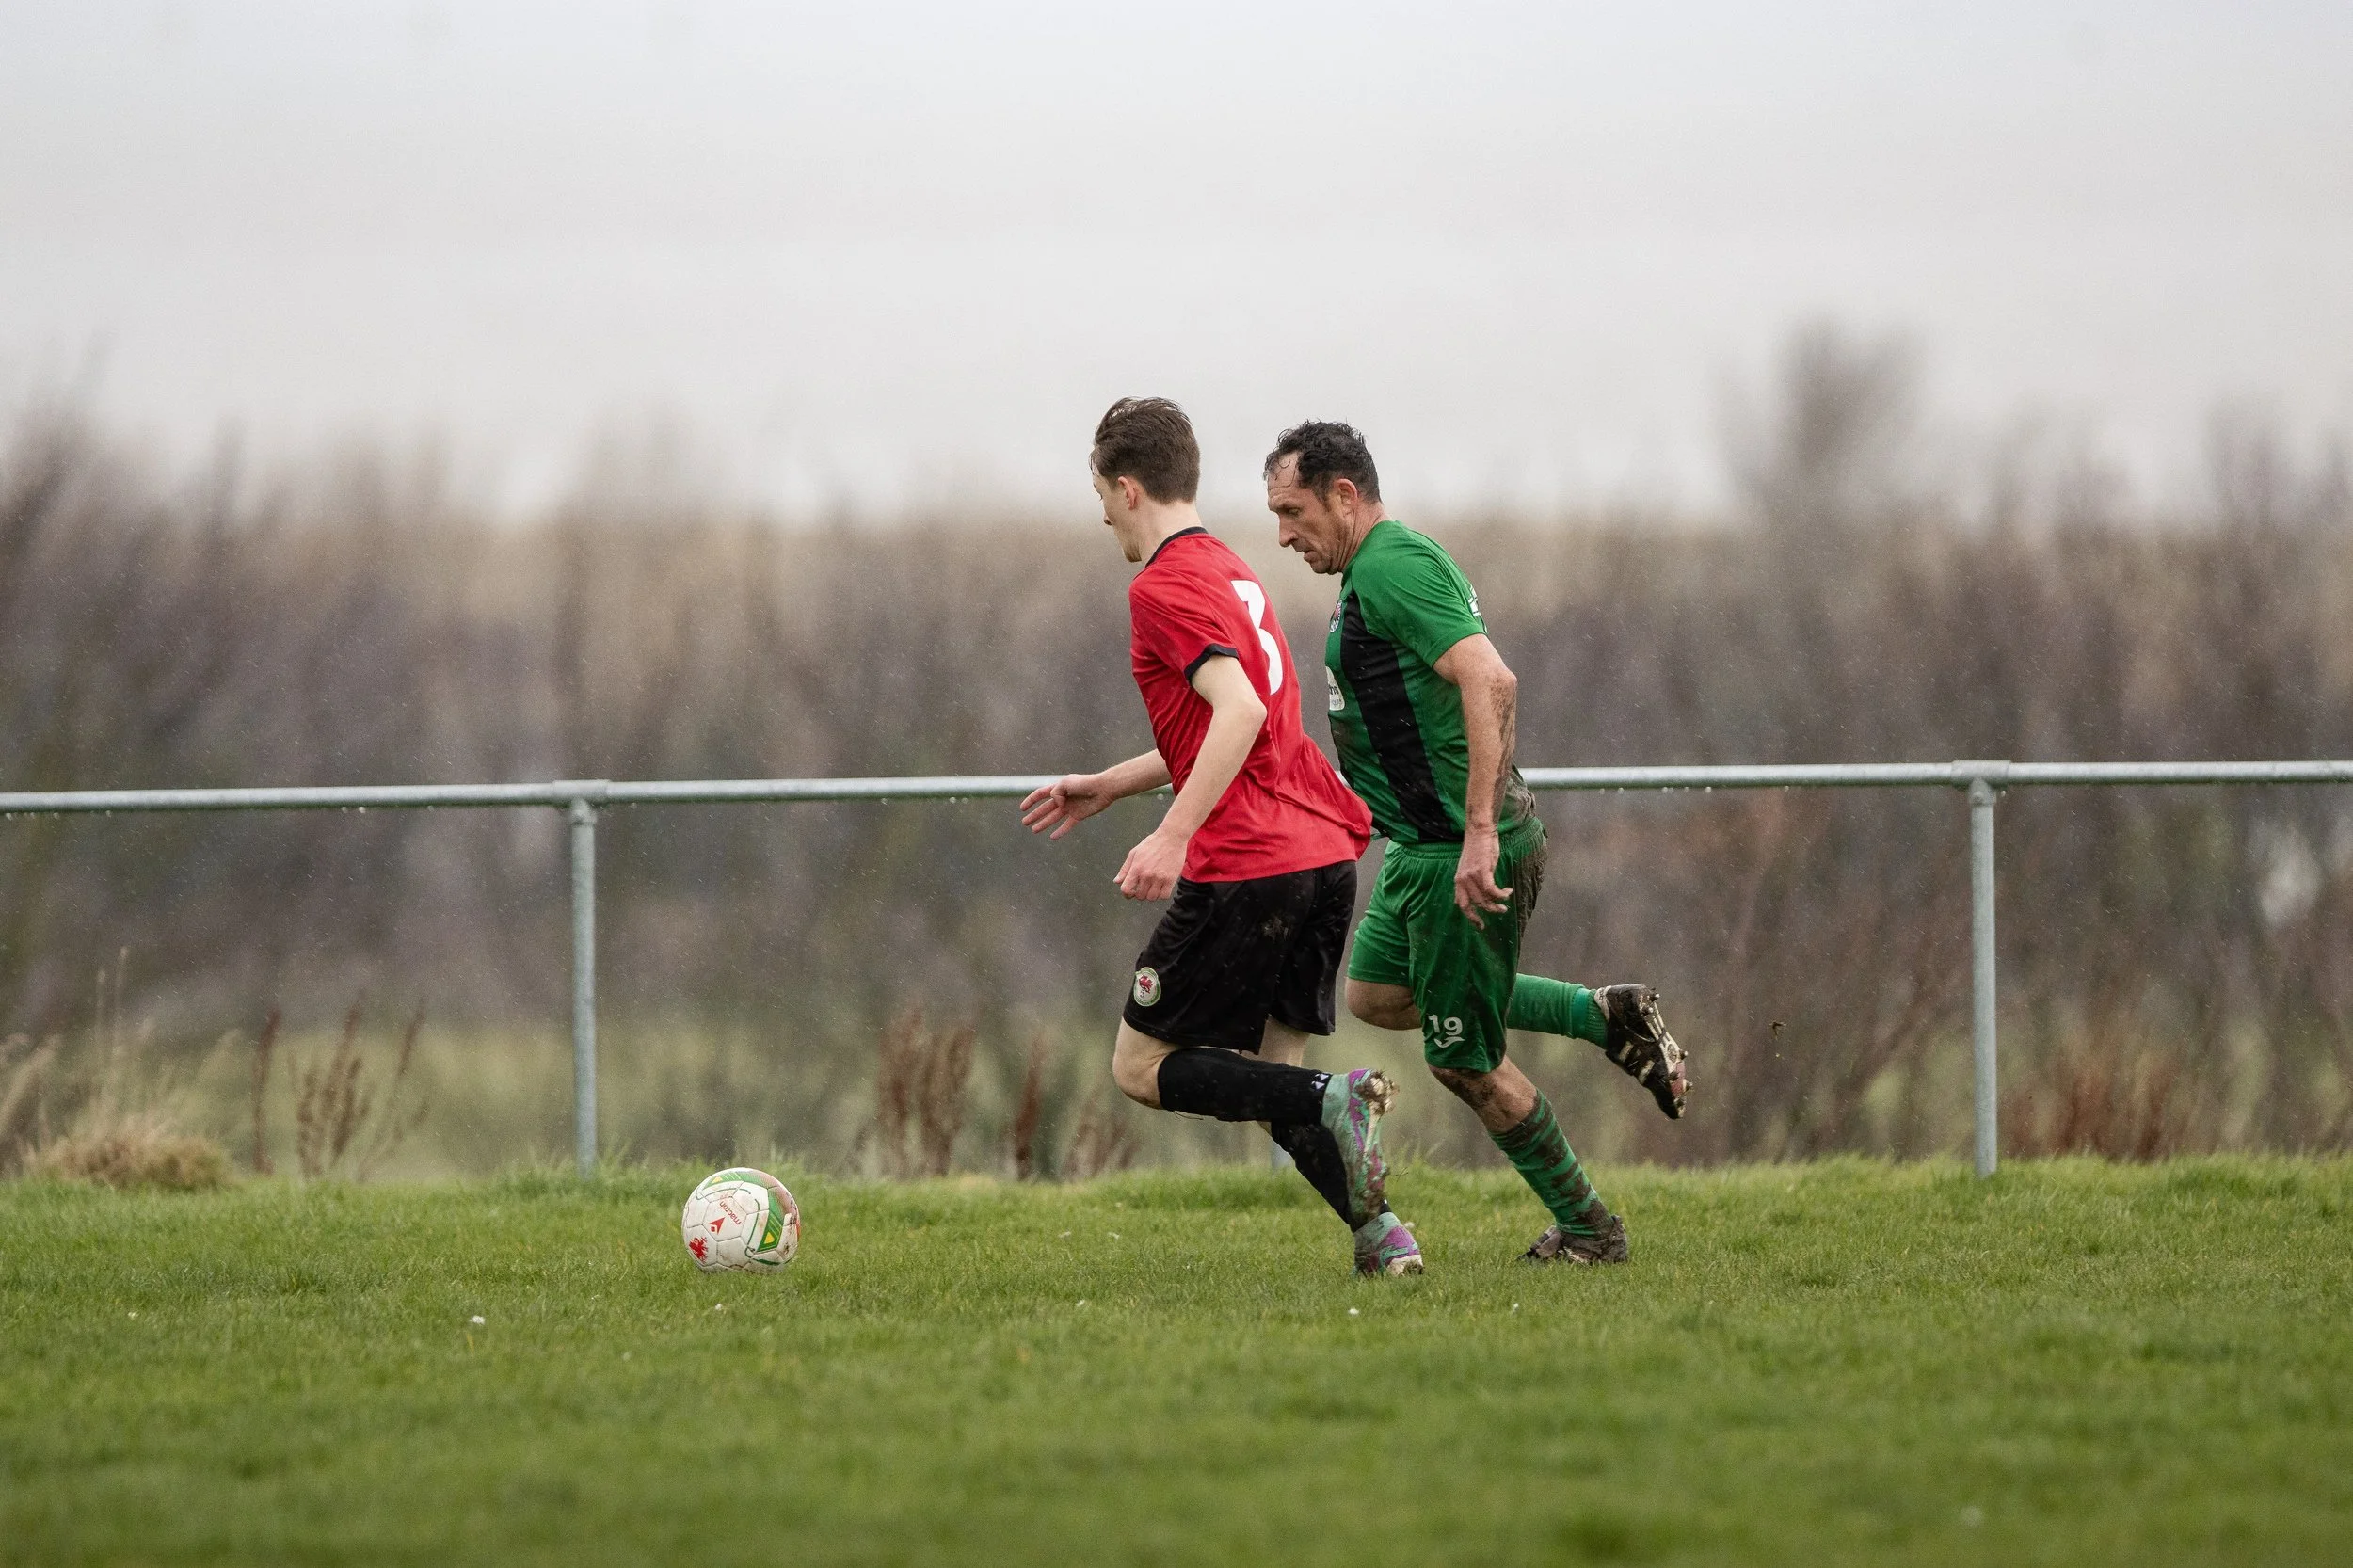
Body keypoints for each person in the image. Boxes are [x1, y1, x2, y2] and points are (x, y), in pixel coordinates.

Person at [1265, 420, 1690, 1266]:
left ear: (1345, 495)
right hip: (1418, 848)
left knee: (1467, 1063)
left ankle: (1589, 1230)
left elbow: (1491, 678)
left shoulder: (1391, 567)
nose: (1283, 534)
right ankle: (1603, 1015)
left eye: (1292, 510)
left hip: (1456, 851)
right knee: (1378, 994)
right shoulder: (1373, 572)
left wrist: (1480, 835)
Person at [1020, 397, 1422, 1277]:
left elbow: (1238, 713)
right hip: (1322, 858)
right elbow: (1238, 728)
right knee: (1272, 1080)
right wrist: (1113, 786)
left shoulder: (1160, 587)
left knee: (1139, 1065)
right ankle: (1383, 1238)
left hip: (1253, 861)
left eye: (1100, 494)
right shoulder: (1234, 572)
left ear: (1128, 490)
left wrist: (1171, 835)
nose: (1099, 515)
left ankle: (1336, 1099)